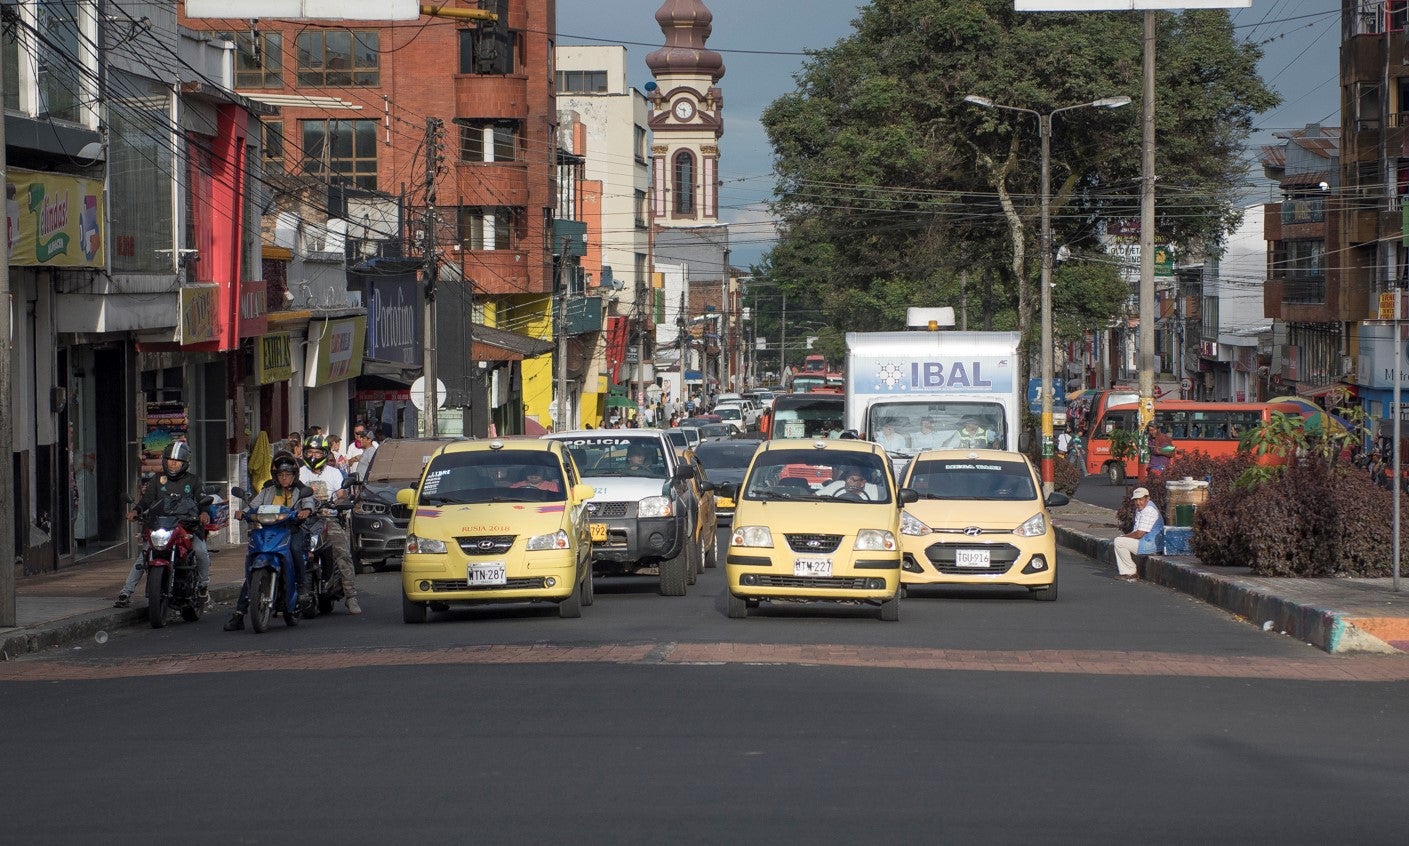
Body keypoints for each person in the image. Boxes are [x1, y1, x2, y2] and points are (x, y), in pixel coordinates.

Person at [115, 441, 212, 609]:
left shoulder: (193, 480)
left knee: (201, 552)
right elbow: (146, 500)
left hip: (186, 527)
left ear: (185, 463)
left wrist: (203, 513)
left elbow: (202, 500)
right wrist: (136, 511)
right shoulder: (157, 479)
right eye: (170, 460)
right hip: (162, 527)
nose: (173, 464)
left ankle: (203, 585)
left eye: (177, 461)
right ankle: (126, 592)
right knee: (145, 554)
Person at [224, 452, 313, 630]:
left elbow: (309, 503)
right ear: (276, 476)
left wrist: (306, 512)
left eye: (288, 474)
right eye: (281, 474)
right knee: (251, 567)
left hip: (292, 530)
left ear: (294, 475)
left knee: (296, 550)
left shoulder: (301, 490)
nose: (284, 478)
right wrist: (243, 513)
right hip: (268, 532)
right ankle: (239, 614)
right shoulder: (268, 490)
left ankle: (302, 587)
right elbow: (253, 506)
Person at [299, 435, 361, 615]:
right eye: (310, 452)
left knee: (343, 554)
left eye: (317, 452)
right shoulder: (300, 473)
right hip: (303, 520)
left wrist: (336, 501)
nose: (313, 455)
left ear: (325, 454)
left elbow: (341, 494)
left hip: (328, 518)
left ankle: (351, 596)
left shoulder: (333, 473)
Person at [1113, 486, 1163, 581]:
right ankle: (1129, 571)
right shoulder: (1141, 509)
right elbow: (1136, 530)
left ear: (1147, 498)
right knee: (1120, 541)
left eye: (1141, 499)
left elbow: (1139, 534)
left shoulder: (1148, 510)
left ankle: (1130, 572)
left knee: (1119, 542)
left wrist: (1124, 537)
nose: (1138, 502)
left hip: (1151, 544)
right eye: (1136, 500)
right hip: (1146, 541)